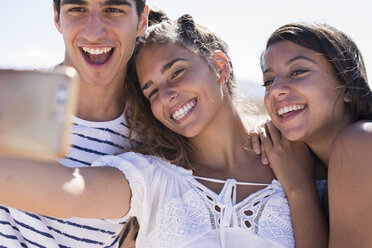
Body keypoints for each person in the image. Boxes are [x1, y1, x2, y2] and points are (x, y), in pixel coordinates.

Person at [0, 13, 329, 248]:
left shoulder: (297, 154)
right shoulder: (150, 176)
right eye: (152, 90)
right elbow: (67, 194)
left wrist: (300, 188)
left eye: (177, 72)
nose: (167, 96)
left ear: (219, 66)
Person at [0, 0, 148, 247]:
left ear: (141, 21)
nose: (94, 32)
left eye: (113, 9)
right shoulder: (10, 98)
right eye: (77, 9)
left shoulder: (152, 139)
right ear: (57, 18)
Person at [257, 22, 372, 248]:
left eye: (298, 72)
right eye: (269, 81)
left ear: (347, 87)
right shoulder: (304, 161)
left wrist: (299, 186)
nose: (276, 89)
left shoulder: (361, 141)